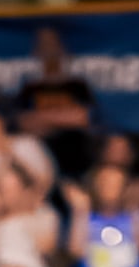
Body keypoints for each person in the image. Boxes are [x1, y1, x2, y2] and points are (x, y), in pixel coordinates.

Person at [14, 26, 97, 181]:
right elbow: (24, 123)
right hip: (39, 168)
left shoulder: (78, 86)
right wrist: (62, 118)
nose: (49, 51)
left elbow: (82, 117)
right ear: (36, 51)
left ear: (62, 49)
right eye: (44, 45)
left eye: (52, 44)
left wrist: (41, 119)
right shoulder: (29, 89)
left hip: (76, 166)